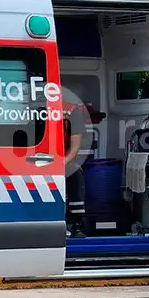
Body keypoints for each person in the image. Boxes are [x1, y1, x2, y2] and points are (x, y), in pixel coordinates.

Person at [63, 98, 89, 238]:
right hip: (35, 159)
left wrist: (63, 163)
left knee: (75, 175)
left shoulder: (71, 110)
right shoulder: (30, 109)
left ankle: (75, 224)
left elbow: (75, 146)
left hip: (62, 159)